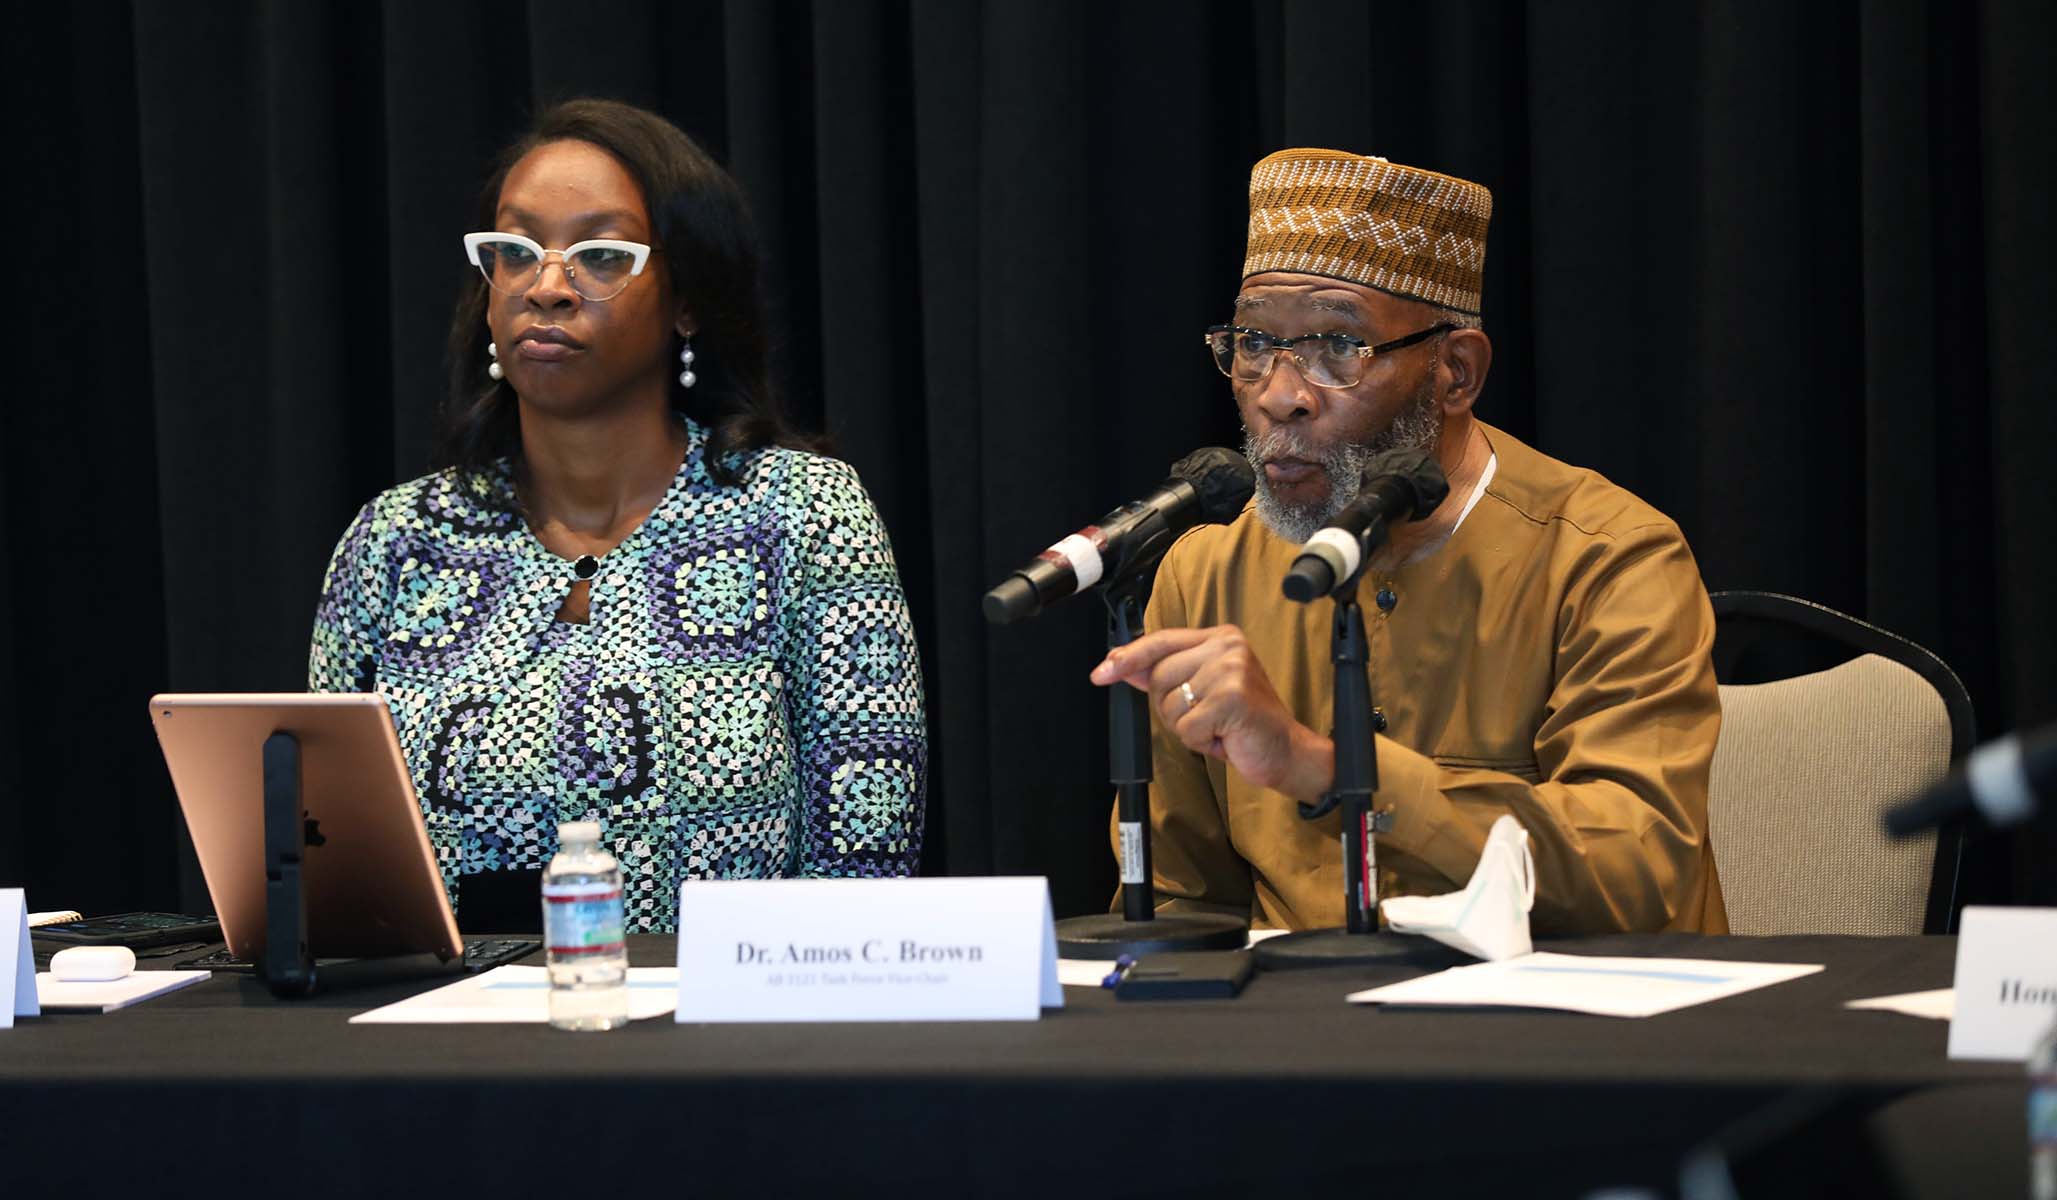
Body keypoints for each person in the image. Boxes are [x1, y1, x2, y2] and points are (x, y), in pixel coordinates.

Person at [309, 99, 926, 933]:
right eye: (514, 252)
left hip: (724, 1009)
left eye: (600, 256)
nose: (546, 287)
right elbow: (324, 854)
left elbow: (864, 856)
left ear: (687, 300)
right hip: (438, 1011)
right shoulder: (396, 539)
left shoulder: (802, 514)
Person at [1092, 148, 1726, 934]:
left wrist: (1324, 767)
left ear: (1454, 372)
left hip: (1564, 1004)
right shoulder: (1206, 572)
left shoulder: (1607, 557)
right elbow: (1182, 902)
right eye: (1252, 343)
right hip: (1304, 1006)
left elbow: (1634, 875)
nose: (1278, 395)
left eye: (1337, 346)